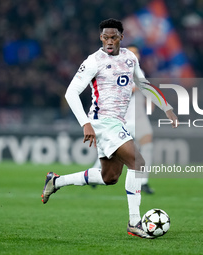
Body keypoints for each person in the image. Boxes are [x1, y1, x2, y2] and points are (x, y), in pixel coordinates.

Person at [41, 18, 178, 239]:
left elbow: (143, 84)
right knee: (138, 163)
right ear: (100, 38)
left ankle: (56, 181)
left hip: (116, 123)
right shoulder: (93, 61)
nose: (109, 41)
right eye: (105, 37)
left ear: (121, 37)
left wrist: (166, 107)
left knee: (110, 177)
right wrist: (86, 123)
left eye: (114, 36)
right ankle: (134, 223)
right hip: (102, 122)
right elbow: (71, 93)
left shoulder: (130, 58)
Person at [90, 45, 155, 194]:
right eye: (132, 52)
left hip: (138, 117)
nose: (135, 55)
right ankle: (95, 171)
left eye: (137, 52)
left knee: (147, 145)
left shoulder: (139, 71)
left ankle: (143, 181)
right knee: (112, 151)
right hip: (122, 118)